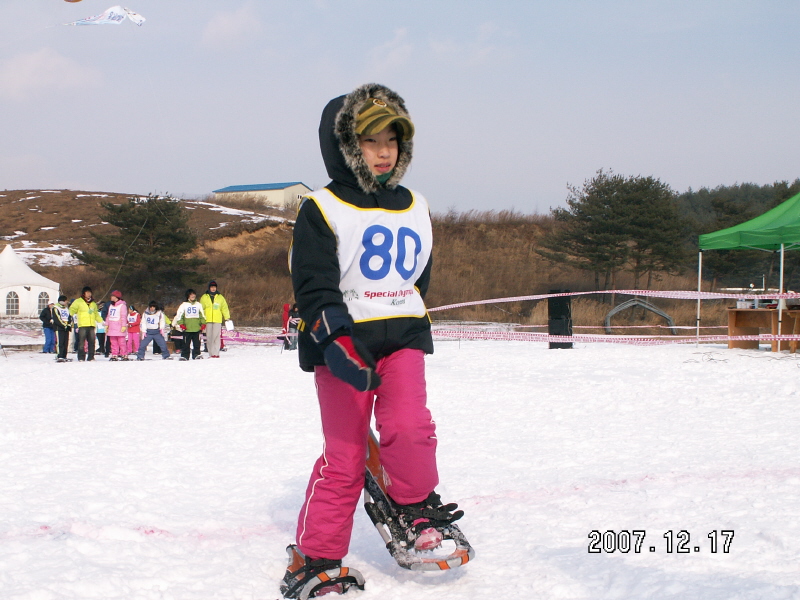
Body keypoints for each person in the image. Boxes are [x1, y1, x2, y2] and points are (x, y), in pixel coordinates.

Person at [280, 84, 464, 598]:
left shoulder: (416, 204)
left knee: (410, 428)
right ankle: (313, 556)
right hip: (344, 346)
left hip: (403, 335)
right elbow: (314, 285)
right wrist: (336, 342)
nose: (384, 152)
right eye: (370, 141)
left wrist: (398, 312)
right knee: (344, 458)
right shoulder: (322, 207)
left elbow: (419, 276)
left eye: (392, 140)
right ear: (343, 146)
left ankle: (415, 510)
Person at [69, 286, 103, 361]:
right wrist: (69, 318)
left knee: (92, 342)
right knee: (81, 342)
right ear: (84, 293)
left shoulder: (93, 303)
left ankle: (91, 357)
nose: (89, 294)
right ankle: (81, 357)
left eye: (90, 292)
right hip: (82, 325)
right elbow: (72, 310)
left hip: (91, 325)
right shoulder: (78, 302)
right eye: (87, 292)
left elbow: (96, 314)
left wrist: (101, 321)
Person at [199, 280, 230, 358]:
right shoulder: (204, 297)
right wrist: (201, 319)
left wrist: (227, 317)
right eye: (212, 287)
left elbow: (224, 308)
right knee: (209, 337)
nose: (213, 289)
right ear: (209, 288)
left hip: (217, 320)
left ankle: (216, 353)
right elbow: (201, 309)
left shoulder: (220, 297)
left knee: (216, 336)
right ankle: (211, 353)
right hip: (207, 320)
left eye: (214, 287)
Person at [175, 289, 206, 360]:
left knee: (197, 343)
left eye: (194, 294)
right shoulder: (184, 305)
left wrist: (203, 323)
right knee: (186, 343)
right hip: (187, 328)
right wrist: (181, 324)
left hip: (196, 328)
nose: (193, 296)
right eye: (191, 294)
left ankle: (196, 354)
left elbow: (202, 315)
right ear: (188, 296)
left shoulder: (198, 305)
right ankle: (185, 355)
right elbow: (179, 315)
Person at [105, 290, 128, 361]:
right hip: (112, 326)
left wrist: (124, 325)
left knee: (121, 342)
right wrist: (107, 324)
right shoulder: (111, 306)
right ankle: (114, 354)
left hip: (119, 326)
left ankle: (124, 354)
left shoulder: (122, 306)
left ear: (116, 297)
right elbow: (108, 316)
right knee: (113, 342)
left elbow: (123, 316)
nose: (111, 297)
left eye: (112, 296)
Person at [53, 295, 72, 362]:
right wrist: (64, 325)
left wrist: (69, 325)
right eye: (65, 300)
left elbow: (69, 317)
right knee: (60, 342)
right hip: (59, 328)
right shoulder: (56, 308)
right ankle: (59, 355)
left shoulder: (66, 309)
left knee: (65, 342)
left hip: (66, 328)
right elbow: (57, 318)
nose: (66, 302)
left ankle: (64, 355)